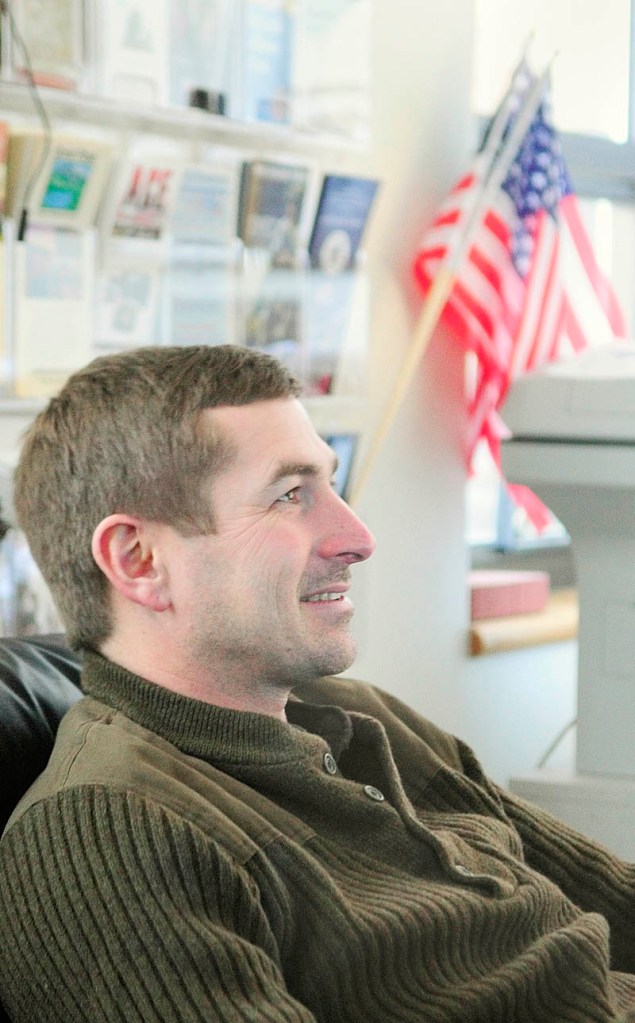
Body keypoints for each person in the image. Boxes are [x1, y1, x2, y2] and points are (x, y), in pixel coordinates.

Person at [0, 344, 634, 1023]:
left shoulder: (363, 717)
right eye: (290, 495)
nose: (358, 537)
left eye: (331, 484)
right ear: (139, 559)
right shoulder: (108, 835)